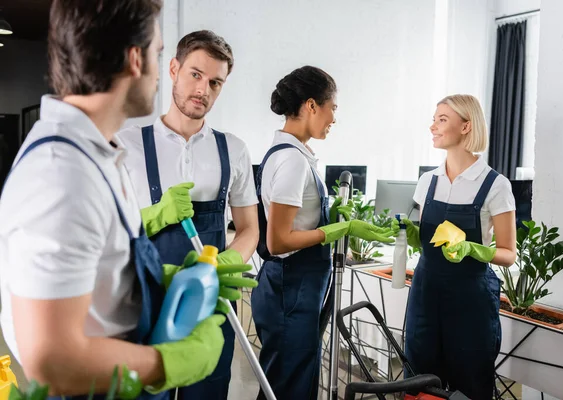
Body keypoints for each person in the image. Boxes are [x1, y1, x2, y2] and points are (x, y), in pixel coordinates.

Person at [0, 1, 255, 398]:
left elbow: (107, 273)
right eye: (157, 53)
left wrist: (167, 282)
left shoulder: (101, 154)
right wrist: (168, 364)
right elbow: (53, 360)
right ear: (136, 59)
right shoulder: (61, 173)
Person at [117, 30, 259, 399]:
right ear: (174, 69)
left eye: (215, 82)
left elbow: (249, 229)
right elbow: (108, 233)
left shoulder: (234, 150)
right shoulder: (127, 145)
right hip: (144, 301)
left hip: (210, 304)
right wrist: (154, 216)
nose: (203, 90)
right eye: (196, 74)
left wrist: (229, 259)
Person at [251, 65, 399, 400]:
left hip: (294, 287)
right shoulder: (292, 161)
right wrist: (337, 229)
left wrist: (328, 217)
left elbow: (296, 221)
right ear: (311, 106)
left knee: (288, 379)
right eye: (333, 108)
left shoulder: (293, 155)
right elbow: (278, 241)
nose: (334, 118)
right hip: (292, 286)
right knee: (290, 385)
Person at [403, 94, 517, 400]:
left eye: (442, 120)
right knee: (418, 379)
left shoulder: (495, 185)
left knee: (470, 380)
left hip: (470, 301)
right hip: (425, 293)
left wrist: (472, 249)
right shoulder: (427, 181)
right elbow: (425, 237)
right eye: (434, 118)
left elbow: (508, 253)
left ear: (466, 127)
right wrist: (409, 234)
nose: (433, 127)